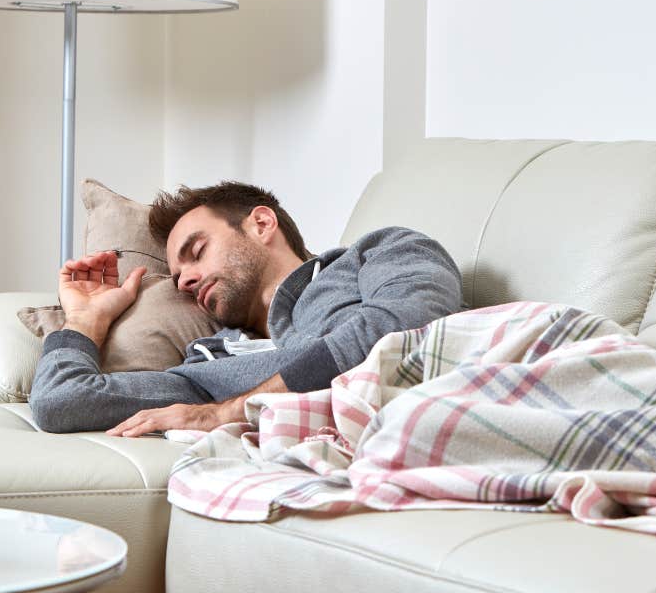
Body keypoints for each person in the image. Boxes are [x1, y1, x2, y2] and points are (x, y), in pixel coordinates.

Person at [29, 181, 463, 435]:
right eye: (178, 277)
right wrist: (86, 319)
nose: (184, 280)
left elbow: (406, 332)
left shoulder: (377, 253)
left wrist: (228, 412)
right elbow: (64, 401)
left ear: (261, 223)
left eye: (197, 251)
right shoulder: (210, 367)